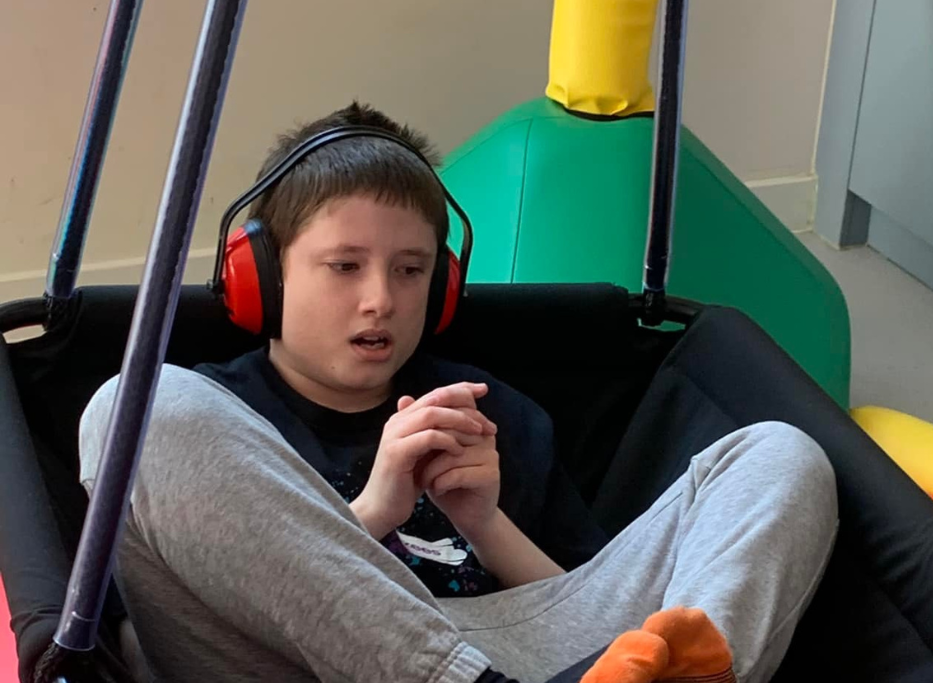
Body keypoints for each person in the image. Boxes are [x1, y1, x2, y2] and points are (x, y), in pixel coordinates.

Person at [78, 102, 838, 683]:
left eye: (410, 270)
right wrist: (371, 512)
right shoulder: (217, 423)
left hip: (515, 647)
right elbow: (151, 622)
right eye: (345, 266)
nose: (381, 298)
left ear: (441, 287)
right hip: (293, 663)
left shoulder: (488, 409)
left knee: (781, 454)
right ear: (263, 277)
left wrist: (487, 522)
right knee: (132, 407)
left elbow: (576, 607)